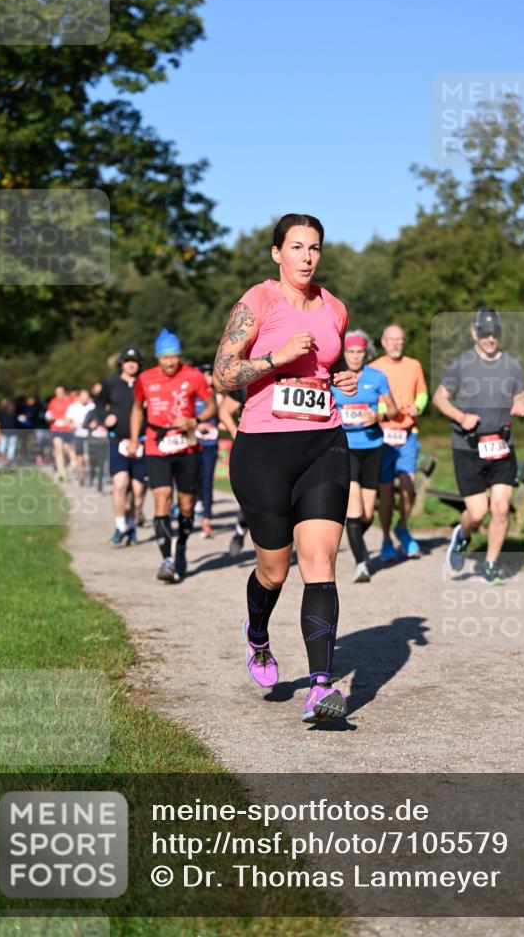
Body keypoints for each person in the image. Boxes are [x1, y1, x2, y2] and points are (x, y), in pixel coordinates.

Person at [212, 213, 358, 724]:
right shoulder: (259, 301)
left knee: (320, 562)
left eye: (314, 248)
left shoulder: (333, 306)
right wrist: (275, 356)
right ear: (277, 253)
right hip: (264, 451)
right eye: (296, 247)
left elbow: (326, 367)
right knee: (274, 570)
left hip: (324, 445)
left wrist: (342, 378)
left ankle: (320, 688)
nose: (307, 257)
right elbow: (224, 374)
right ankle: (257, 635)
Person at [432, 308, 524, 584]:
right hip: (468, 447)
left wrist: (521, 402)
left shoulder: (512, 364)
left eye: (494, 333)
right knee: (477, 513)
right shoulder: (461, 364)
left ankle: (489, 565)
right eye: (484, 333)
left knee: (500, 508)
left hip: (501, 444)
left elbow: (520, 393)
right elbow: (440, 398)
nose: (490, 338)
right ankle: (462, 536)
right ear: (475, 333)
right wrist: (461, 417)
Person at [129, 329, 217, 583]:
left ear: (180, 356)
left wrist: (195, 420)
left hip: (186, 446)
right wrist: (135, 438)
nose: (170, 362)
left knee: (187, 505)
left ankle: (181, 549)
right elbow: (137, 408)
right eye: (165, 357)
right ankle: (166, 559)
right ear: (158, 358)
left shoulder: (193, 376)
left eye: (175, 357)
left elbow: (212, 405)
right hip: (157, 444)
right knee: (162, 498)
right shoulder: (145, 379)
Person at [331, 330, 398, 582]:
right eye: (350, 351)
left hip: (373, 447)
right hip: (345, 447)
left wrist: (378, 416)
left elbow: (393, 409)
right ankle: (361, 563)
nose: (355, 356)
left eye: (359, 352)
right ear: (343, 353)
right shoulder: (335, 378)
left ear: (366, 353)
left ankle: (356, 539)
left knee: (368, 514)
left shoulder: (377, 377)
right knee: (354, 507)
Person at [370, 324, 428, 561]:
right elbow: (369, 401)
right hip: (382, 436)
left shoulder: (414, 365)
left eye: (399, 340)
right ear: (383, 342)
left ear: (404, 342)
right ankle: (385, 540)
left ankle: (402, 527)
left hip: (407, 434)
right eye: (391, 340)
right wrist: (389, 409)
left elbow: (422, 393)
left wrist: (418, 407)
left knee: (407, 487)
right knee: (385, 492)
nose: (395, 343)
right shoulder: (374, 368)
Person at [97, 345, 147, 546]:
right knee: (120, 484)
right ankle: (120, 526)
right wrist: (105, 417)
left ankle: (133, 525)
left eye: (134, 361)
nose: (131, 364)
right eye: (127, 361)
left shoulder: (146, 381)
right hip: (118, 441)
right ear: (121, 363)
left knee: (138, 491)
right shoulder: (111, 383)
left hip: (143, 442)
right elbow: (98, 405)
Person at [217, 387, 251, 557]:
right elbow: (224, 411)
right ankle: (240, 531)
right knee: (252, 499)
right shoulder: (247, 384)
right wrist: (235, 432)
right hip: (253, 448)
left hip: (287, 449)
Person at [194, 363, 221, 538]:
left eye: (209, 373)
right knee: (194, 479)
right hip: (193, 444)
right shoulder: (192, 396)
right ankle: (196, 504)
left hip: (210, 444)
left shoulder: (217, 397)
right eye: (203, 373)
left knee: (207, 481)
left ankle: (207, 520)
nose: (207, 376)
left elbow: (223, 416)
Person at [45, 385, 76, 481]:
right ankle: (61, 472)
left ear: (64, 392)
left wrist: (70, 421)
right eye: (57, 393)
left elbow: (75, 413)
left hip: (68, 429)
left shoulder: (71, 401)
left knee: (69, 450)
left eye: (60, 392)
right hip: (56, 429)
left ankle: (71, 468)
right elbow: (49, 414)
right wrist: (50, 417)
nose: (59, 394)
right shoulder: (53, 402)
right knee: (58, 450)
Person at [66, 388, 94, 487]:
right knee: (80, 458)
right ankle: (81, 477)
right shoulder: (73, 407)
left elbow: (98, 420)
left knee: (88, 458)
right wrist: (75, 425)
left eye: (86, 397)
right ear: (79, 397)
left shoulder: (92, 406)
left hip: (91, 435)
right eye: (82, 396)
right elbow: (68, 421)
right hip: (78, 435)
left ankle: (90, 477)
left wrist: (91, 425)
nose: (84, 399)